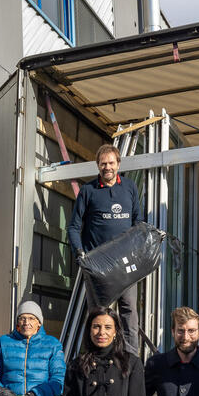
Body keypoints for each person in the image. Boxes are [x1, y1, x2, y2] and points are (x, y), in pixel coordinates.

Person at [67, 144, 143, 352]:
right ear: (97, 165)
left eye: (111, 163)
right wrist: (80, 254)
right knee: (99, 315)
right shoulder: (88, 191)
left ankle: (130, 361)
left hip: (126, 263)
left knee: (129, 312)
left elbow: (139, 222)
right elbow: (73, 227)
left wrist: (140, 250)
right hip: (98, 266)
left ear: (118, 164)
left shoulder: (129, 188)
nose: (107, 167)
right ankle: (97, 359)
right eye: (103, 163)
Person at [0, 300, 66, 396]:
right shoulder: (3, 342)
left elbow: (58, 380)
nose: (26, 323)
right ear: (18, 322)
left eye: (31, 318)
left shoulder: (53, 344)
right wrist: (5, 395)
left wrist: (34, 395)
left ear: (39, 323)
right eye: (22, 318)